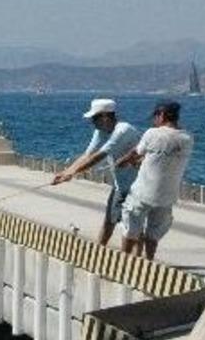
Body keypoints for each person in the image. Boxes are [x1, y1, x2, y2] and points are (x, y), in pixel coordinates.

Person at [51, 99, 141, 246]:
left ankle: (135, 261)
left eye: (94, 118)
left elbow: (101, 154)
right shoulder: (100, 131)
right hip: (121, 184)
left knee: (132, 228)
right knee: (109, 220)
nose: (92, 122)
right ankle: (98, 251)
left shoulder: (123, 130)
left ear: (105, 117)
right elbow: (87, 155)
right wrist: (66, 172)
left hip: (138, 186)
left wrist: (73, 173)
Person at [115, 100, 194, 260]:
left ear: (162, 115)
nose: (154, 120)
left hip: (143, 193)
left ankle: (123, 263)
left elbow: (135, 153)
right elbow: (162, 158)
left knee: (130, 230)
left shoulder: (152, 133)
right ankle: (149, 262)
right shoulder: (187, 138)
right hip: (167, 196)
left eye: (155, 116)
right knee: (153, 235)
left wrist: (121, 162)